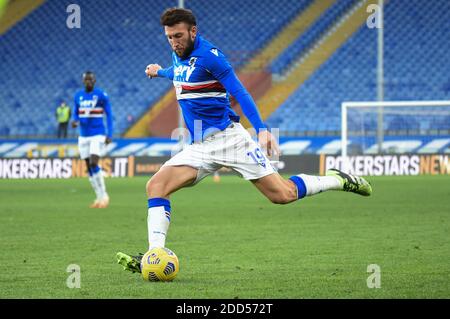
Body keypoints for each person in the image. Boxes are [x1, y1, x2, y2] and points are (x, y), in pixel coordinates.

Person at [116, 8, 372, 273]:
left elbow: (239, 90)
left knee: (283, 195)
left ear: (194, 31)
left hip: (230, 140)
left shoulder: (211, 57)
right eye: (169, 37)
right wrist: (160, 72)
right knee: (156, 186)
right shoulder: (178, 54)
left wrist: (261, 129)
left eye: (178, 36)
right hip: (200, 147)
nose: (174, 42)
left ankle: (337, 180)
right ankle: (154, 254)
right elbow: (180, 74)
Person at [72, 71, 113, 208]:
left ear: (94, 81)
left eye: (91, 79)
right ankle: (99, 197)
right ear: (83, 81)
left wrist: (110, 134)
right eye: (86, 80)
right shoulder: (78, 96)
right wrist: (74, 121)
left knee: (94, 163)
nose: (88, 82)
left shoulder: (101, 95)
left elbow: (109, 115)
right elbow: (75, 112)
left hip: (97, 134)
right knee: (88, 167)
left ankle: (104, 196)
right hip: (83, 135)